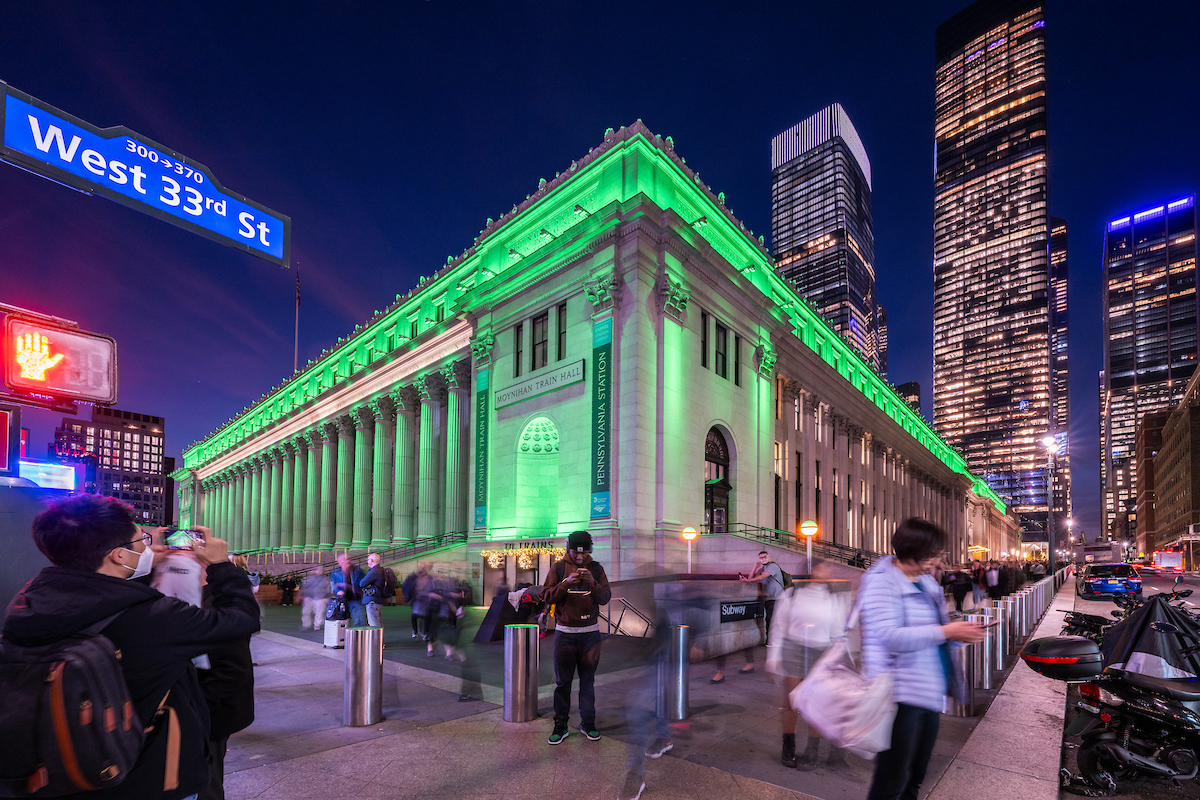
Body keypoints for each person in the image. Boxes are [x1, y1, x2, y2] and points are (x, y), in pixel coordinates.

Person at [2, 494, 260, 800]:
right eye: (142, 541)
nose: (149, 547)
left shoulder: (27, 601)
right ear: (119, 555)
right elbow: (241, 619)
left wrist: (148, 566)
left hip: (54, 765)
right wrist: (221, 566)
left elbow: (106, 595)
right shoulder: (157, 618)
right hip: (140, 774)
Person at [859, 518, 986, 800]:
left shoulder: (927, 583)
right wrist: (947, 631)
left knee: (915, 779)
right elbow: (889, 636)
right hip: (899, 695)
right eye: (932, 554)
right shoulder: (882, 582)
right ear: (912, 550)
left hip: (929, 693)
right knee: (891, 781)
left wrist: (957, 634)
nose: (937, 561)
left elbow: (934, 636)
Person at [766, 564, 847, 770]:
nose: (824, 572)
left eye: (827, 569)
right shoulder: (792, 595)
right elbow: (778, 626)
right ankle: (788, 746)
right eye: (820, 568)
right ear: (811, 571)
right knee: (791, 702)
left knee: (816, 705)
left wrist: (837, 661)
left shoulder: (833, 599)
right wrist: (772, 656)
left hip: (821, 653)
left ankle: (812, 750)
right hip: (794, 649)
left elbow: (838, 633)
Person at [543, 530, 611, 745]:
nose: (579, 557)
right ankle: (560, 725)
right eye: (575, 552)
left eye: (583, 553)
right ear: (568, 548)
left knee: (588, 683)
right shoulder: (558, 567)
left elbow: (605, 598)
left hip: (590, 635)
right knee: (563, 683)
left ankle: (588, 723)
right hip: (565, 635)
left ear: (589, 550)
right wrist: (565, 583)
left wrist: (592, 583)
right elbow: (546, 595)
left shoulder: (597, 569)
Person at [711, 552, 766, 682]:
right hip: (749, 603)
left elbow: (754, 584)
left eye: (765, 557)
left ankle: (732, 668)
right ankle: (743, 665)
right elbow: (749, 580)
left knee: (741, 635)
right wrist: (754, 567)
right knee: (737, 635)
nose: (763, 559)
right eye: (761, 557)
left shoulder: (772, 570)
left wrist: (749, 584)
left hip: (754, 604)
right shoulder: (759, 569)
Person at [329, 553, 367, 627]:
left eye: (348, 559)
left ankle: (357, 636)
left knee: (358, 620)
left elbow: (362, 583)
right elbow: (332, 584)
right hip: (341, 600)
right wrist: (338, 591)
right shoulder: (335, 572)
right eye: (345, 560)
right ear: (339, 562)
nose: (347, 561)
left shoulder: (358, 571)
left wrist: (347, 586)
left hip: (355, 598)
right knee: (341, 621)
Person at [299, 565, 330, 631]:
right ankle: (305, 625)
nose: (319, 571)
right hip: (310, 597)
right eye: (318, 570)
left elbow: (328, 589)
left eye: (321, 570)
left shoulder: (326, 579)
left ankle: (317, 625)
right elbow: (304, 587)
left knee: (319, 612)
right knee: (305, 611)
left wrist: (327, 597)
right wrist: (304, 596)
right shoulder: (310, 578)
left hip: (320, 597)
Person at [360, 553, 387, 628]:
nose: (367, 561)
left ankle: (376, 639)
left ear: (371, 560)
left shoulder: (374, 571)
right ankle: (380, 639)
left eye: (368, 560)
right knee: (378, 622)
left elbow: (362, 583)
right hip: (379, 599)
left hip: (372, 600)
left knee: (374, 623)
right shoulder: (381, 570)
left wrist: (369, 585)